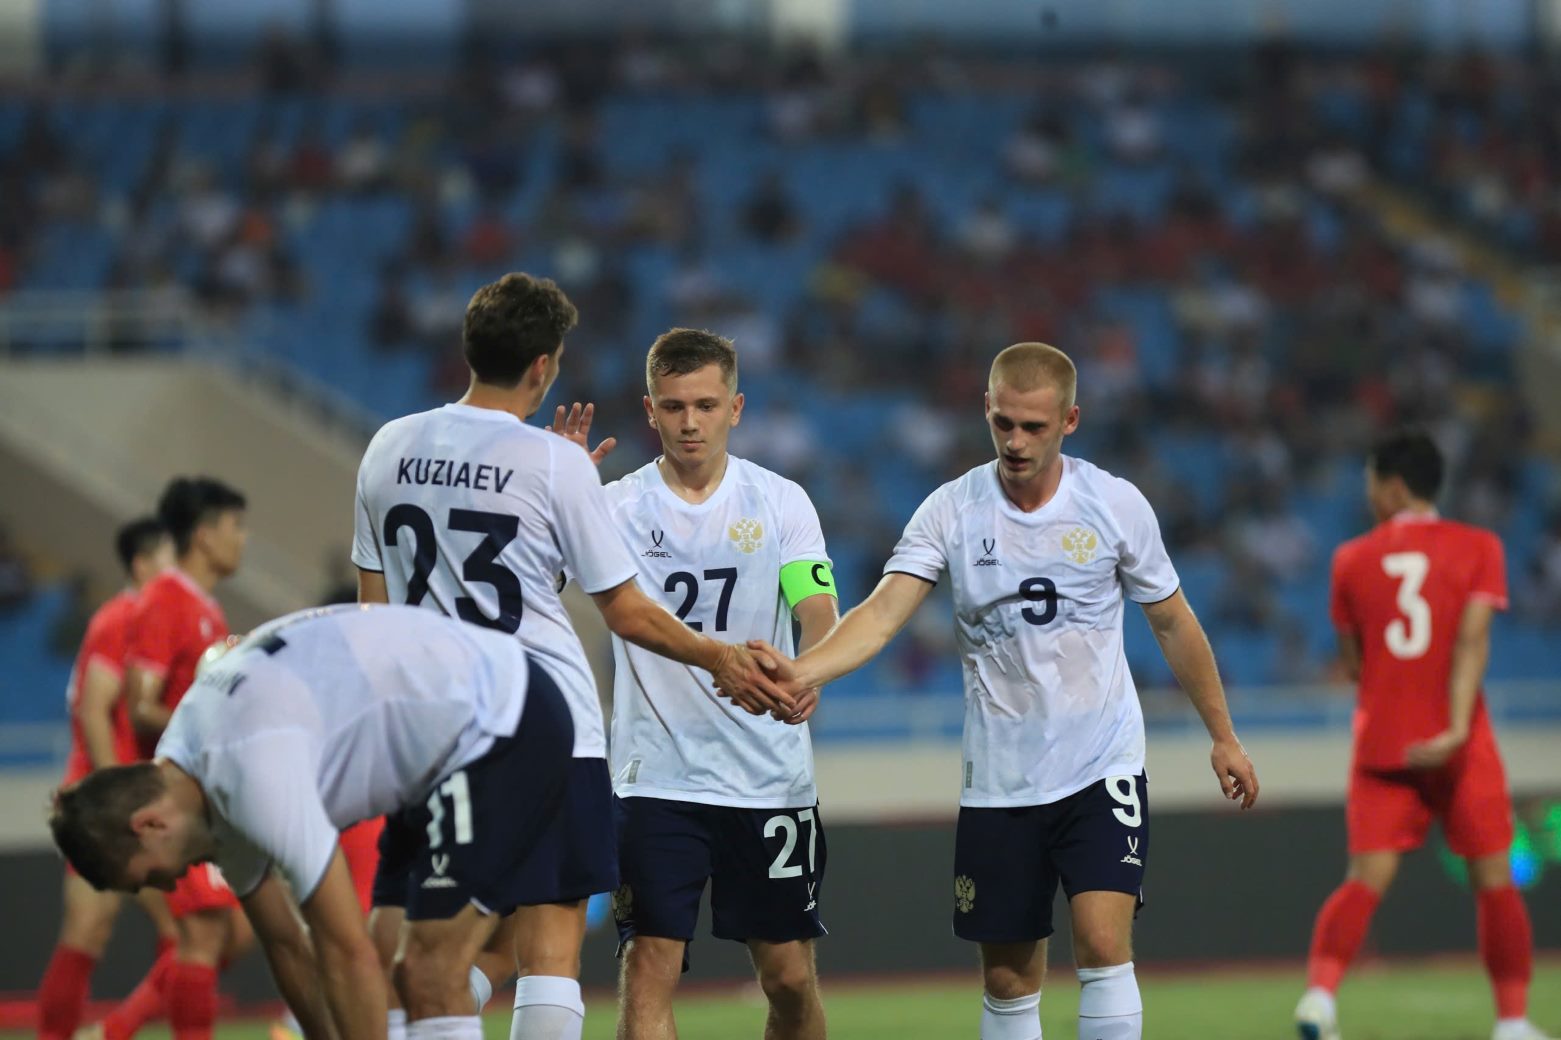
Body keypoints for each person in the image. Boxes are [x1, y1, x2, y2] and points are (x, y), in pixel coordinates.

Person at [737, 342, 1259, 1040]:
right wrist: (806, 670)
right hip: (1001, 782)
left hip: (1098, 764)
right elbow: (884, 610)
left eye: (1033, 427)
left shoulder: (1112, 504)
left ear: (1069, 420)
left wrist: (1221, 734)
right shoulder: (951, 510)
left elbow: (1172, 622)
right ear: (986, 409)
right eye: (1003, 423)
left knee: (1103, 947)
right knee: (1009, 979)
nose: (1015, 441)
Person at [351, 273, 792, 1040]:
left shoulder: (389, 446)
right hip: (544, 727)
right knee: (546, 952)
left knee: (419, 952)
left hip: (428, 728)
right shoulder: (554, 465)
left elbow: (373, 612)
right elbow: (623, 610)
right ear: (544, 366)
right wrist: (717, 658)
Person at [50, 604, 578, 1040]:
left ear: (148, 825)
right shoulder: (190, 771)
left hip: (501, 719)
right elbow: (288, 948)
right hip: (435, 749)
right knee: (399, 967)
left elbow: (341, 950)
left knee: (429, 970)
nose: (168, 885)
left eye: (147, 876)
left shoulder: (248, 770)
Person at [592, 329, 837, 1040]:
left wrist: (811, 667)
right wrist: (557, 501)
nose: (689, 422)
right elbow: (533, 584)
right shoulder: (612, 509)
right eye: (673, 407)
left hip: (766, 776)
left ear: (736, 407)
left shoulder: (780, 501)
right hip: (654, 774)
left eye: (704, 404)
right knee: (647, 963)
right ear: (649, 410)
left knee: (788, 977)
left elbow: (814, 606)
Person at [1294, 429, 1553, 1040]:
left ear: (1394, 486)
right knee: (1494, 881)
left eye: (1370, 481)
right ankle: (1513, 1022)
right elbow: (1472, 644)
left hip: (1383, 741)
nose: (1368, 492)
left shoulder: (1350, 559)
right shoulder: (1479, 547)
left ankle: (1320, 998)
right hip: (1460, 743)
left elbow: (1353, 662)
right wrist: (1457, 726)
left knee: (1364, 880)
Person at [107, 477, 252, 1040]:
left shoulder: (205, 610)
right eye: (235, 526)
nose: (243, 539)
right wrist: (207, 725)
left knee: (229, 934)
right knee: (206, 935)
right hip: (170, 796)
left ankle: (115, 1030)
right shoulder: (166, 600)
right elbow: (139, 703)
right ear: (203, 534)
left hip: (199, 794)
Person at [36, 519, 178, 1040]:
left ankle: (108, 1032)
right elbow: (95, 709)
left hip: (125, 802)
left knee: (171, 932)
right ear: (142, 564)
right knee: (186, 932)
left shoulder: (150, 619)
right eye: (170, 556)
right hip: (114, 808)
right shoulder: (123, 619)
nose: (178, 568)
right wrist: (114, 800)